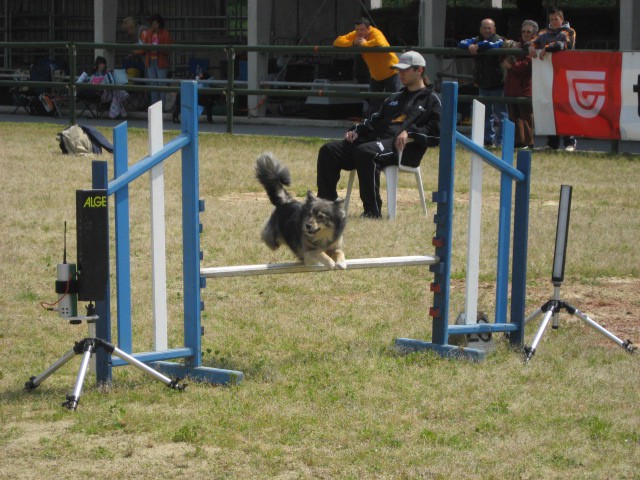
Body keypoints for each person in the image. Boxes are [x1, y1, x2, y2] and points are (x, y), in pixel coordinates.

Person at [316, 51, 440, 219]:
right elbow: (373, 120)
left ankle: (372, 211)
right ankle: (326, 205)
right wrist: (356, 131)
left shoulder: (431, 100)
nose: (400, 73)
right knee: (329, 150)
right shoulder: (394, 98)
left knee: (367, 152)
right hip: (376, 143)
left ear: (419, 70)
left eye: (405, 70)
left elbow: (436, 132)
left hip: (405, 149)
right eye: (398, 70)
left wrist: (410, 132)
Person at [528, 7, 577, 152]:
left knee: (566, 107)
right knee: (549, 106)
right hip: (547, 76)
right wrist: (531, 47)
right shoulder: (543, 32)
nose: (554, 22)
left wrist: (548, 48)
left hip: (566, 74)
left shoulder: (569, 31)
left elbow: (567, 44)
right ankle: (552, 143)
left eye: (556, 19)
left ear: (562, 19)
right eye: (551, 20)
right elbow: (532, 41)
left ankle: (570, 142)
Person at [333, 17, 400, 116]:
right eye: (357, 30)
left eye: (362, 30)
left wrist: (365, 43)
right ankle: (373, 126)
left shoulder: (376, 32)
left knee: (394, 102)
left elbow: (380, 42)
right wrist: (353, 42)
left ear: (368, 29)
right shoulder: (356, 35)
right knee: (375, 104)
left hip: (391, 72)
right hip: (375, 74)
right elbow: (337, 41)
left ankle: (393, 126)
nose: (359, 32)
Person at [458, 18, 508, 147]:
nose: (487, 30)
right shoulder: (476, 39)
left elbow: (494, 45)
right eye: (484, 27)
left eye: (489, 28)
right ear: (480, 29)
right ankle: (488, 140)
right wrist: (470, 45)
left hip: (498, 83)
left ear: (494, 29)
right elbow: (460, 43)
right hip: (482, 83)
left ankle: (501, 141)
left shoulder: (499, 39)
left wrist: (478, 46)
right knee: (485, 113)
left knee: (502, 114)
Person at [502, 20, 538, 149]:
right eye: (523, 31)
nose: (525, 34)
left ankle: (529, 143)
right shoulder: (514, 45)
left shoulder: (535, 46)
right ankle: (517, 143)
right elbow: (503, 60)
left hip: (525, 88)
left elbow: (525, 67)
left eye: (529, 31)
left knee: (526, 118)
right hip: (511, 87)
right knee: (514, 118)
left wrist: (511, 66)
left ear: (534, 33)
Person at [143, 13, 173, 109]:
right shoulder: (149, 32)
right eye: (153, 23)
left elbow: (168, 49)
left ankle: (162, 106)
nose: (154, 25)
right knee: (153, 84)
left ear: (160, 24)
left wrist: (159, 48)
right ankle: (154, 107)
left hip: (161, 61)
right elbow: (145, 45)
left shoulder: (165, 33)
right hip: (150, 61)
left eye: (156, 23)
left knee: (161, 84)